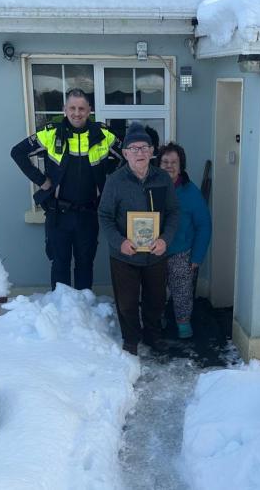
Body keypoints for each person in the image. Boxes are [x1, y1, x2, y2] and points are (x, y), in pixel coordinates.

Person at [10, 88, 120, 290]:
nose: (77, 113)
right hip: (58, 214)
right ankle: (62, 315)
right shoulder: (51, 133)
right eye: (72, 108)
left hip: (88, 214)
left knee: (85, 265)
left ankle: (83, 311)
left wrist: (110, 182)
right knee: (59, 264)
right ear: (64, 110)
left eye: (81, 108)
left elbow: (126, 158)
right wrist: (40, 180)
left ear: (90, 111)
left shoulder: (103, 135)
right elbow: (17, 152)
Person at [99, 123, 178, 356]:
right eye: (133, 149)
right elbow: (104, 216)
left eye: (144, 148)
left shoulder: (162, 178)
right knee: (127, 303)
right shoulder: (115, 181)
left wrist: (165, 239)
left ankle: (153, 336)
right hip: (125, 255)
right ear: (125, 153)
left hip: (156, 254)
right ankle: (131, 340)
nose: (140, 153)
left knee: (156, 300)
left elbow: (174, 212)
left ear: (152, 151)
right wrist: (119, 242)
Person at [158, 143, 212, 339]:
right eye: (165, 162)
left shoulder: (191, 193)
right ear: (158, 164)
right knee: (154, 291)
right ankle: (156, 319)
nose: (169, 166)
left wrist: (196, 257)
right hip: (153, 251)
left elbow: (204, 225)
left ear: (181, 166)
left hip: (180, 252)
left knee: (182, 292)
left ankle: (183, 322)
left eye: (174, 162)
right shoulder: (150, 187)